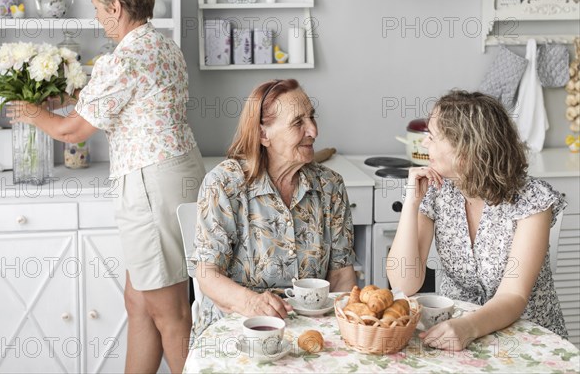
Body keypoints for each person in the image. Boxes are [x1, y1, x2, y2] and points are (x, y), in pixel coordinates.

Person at [6, 0, 205, 373]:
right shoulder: (161, 45)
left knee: (171, 314)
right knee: (138, 300)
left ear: (115, 7)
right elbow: (124, 98)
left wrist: (30, 113)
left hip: (150, 184)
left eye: (98, 8)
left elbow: (71, 133)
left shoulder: (124, 58)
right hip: (176, 174)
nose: (97, 18)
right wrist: (65, 100)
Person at [387, 90, 567, 351]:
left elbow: (513, 294)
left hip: (524, 338)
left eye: (433, 137)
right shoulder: (438, 190)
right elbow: (404, 283)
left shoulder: (533, 200)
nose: (425, 143)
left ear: (464, 150)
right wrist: (411, 203)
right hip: (452, 333)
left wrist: (468, 327)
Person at [191, 79, 357, 338]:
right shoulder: (225, 184)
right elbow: (207, 274)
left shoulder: (329, 186)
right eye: (298, 122)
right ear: (263, 134)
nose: (313, 130)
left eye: (311, 117)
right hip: (239, 326)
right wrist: (252, 303)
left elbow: (342, 278)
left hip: (311, 329)